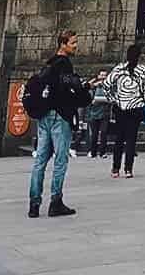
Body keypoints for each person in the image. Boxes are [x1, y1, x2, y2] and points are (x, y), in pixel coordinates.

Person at [28, 28, 91, 218]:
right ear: (63, 44)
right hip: (59, 117)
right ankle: (56, 201)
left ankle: (34, 204)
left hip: (44, 116)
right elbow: (70, 85)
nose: (76, 46)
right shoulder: (64, 64)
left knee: (40, 161)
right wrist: (88, 85)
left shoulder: (49, 63)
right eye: (73, 43)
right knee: (60, 160)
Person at [107, 44, 145, 179]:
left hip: (121, 108)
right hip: (136, 108)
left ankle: (115, 168)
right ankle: (128, 169)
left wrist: (113, 99)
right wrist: (142, 99)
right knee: (131, 139)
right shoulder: (143, 70)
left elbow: (106, 84)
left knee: (119, 139)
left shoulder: (119, 69)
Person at [86, 72, 110, 158]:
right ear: (98, 76)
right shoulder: (93, 87)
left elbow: (111, 98)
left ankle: (102, 152)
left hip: (104, 114)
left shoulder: (108, 87)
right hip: (93, 113)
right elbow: (88, 99)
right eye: (101, 75)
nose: (103, 77)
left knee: (104, 133)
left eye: (105, 75)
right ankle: (93, 152)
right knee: (94, 134)